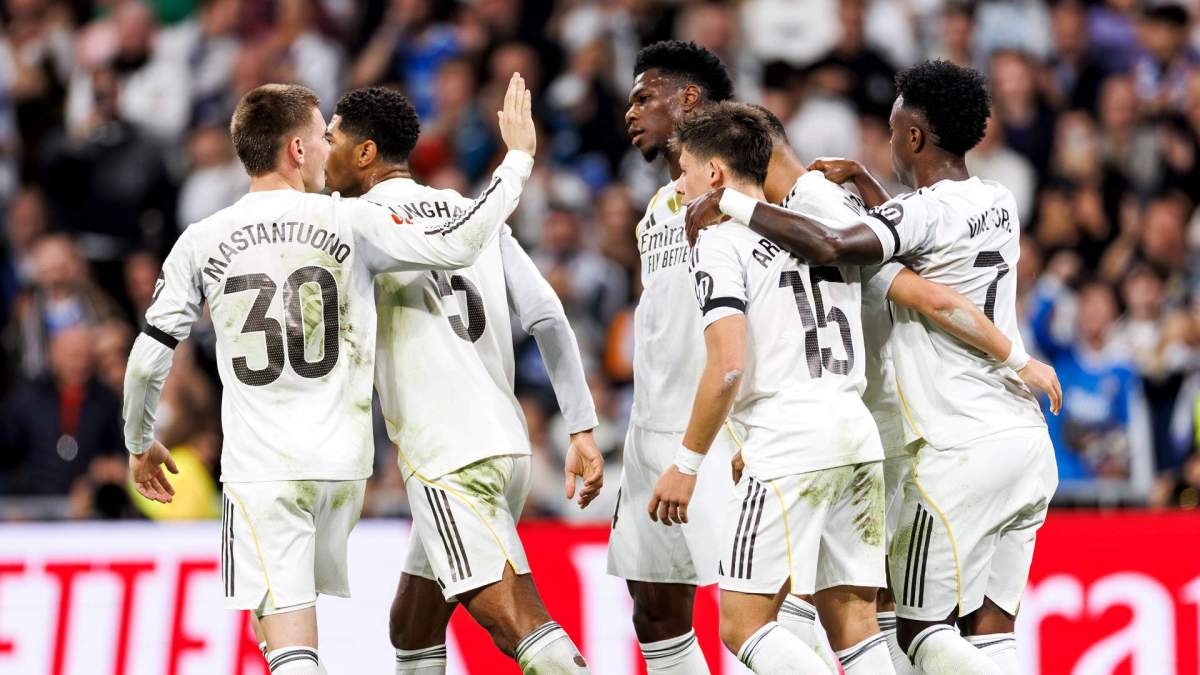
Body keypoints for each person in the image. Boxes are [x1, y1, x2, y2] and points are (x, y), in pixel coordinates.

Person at [121, 77, 538, 675]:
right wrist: (517, 161)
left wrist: (139, 443)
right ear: (296, 149)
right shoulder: (349, 221)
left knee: (289, 649)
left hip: (263, 471)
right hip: (343, 468)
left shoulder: (199, 241)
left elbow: (148, 358)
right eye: (322, 136)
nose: (327, 148)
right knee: (404, 632)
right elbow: (463, 242)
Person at [685, 60, 1059, 675]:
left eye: (892, 129)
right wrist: (863, 179)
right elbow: (921, 244)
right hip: (1024, 444)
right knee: (991, 631)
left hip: (956, 445)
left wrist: (732, 205)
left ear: (913, 136)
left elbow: (840, 246)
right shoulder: (998, 199)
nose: (886, 140)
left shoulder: (903, 213)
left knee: (916, 632)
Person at [322, 85, 600, 675]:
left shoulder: (354, 218)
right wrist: (579, 426)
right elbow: (547, 314)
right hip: (507, 446)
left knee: (522, 628)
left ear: (366, 153)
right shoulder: (467, 209)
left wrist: (517, 163)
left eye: (332, 138)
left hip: (447, 457)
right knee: (413, 625)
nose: (323, 150)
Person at [649, 101, 894, 674]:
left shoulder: (718, 240)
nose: (678, 184)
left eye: (683, 169)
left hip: (790, 439)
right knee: (853, 623)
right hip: (855, 432)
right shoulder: (813, 231)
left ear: (714, 174)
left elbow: (728, 365)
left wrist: (686, 465)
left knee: (741, 623)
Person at [607, 40, 749, 674]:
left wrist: (745, 429)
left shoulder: (741, 195)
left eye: (644, 98)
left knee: (750, 616)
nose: (631, 113)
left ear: (688, 99)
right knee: (655, 610)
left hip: (721, 429)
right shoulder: (657, 210)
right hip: (652, 428)